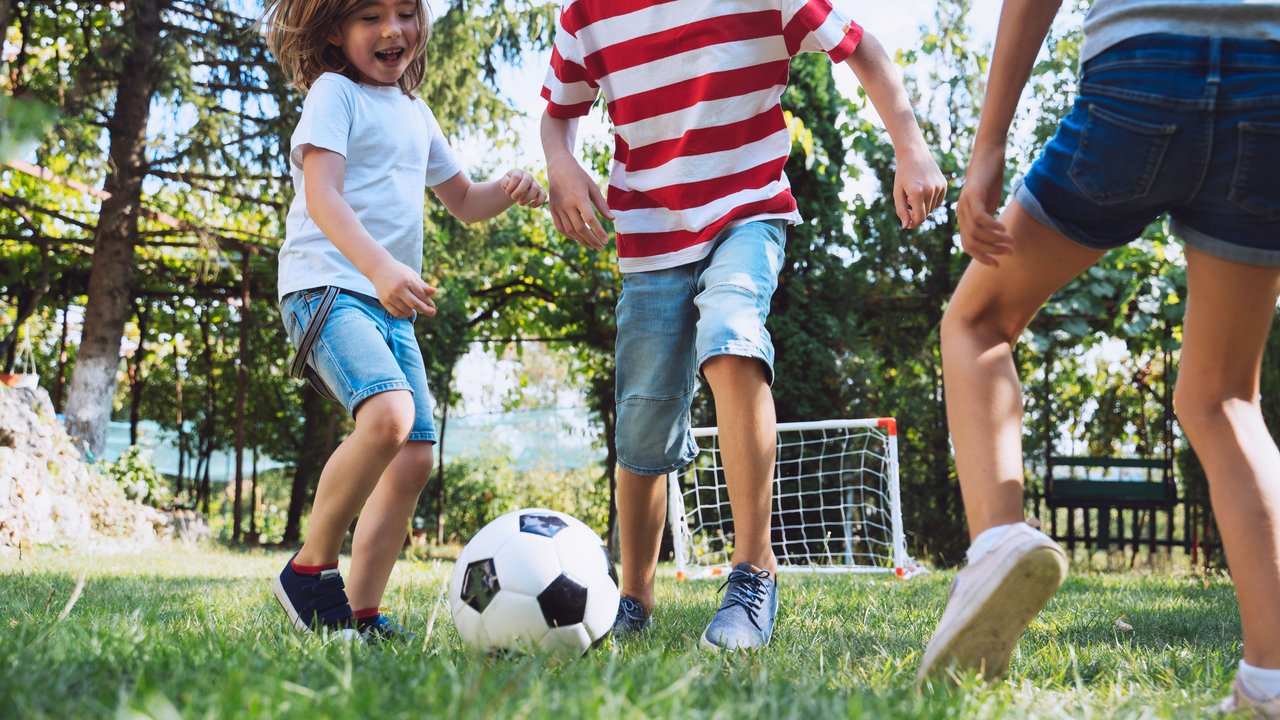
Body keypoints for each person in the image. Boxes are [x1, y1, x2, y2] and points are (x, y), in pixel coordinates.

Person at [541, 0, 946, 650]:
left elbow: (863, 49)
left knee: (731, 334)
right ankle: (636, 598)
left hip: (746, 208)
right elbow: (558, 113)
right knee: (643, 412)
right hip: (648, 234)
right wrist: (561, 164)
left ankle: (753, 571)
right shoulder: (587, 13)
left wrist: (912, 148)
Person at [918, 0, 1280, 713]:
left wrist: (987, 148)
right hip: (1269, 80)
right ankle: (1272, 680)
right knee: (1225, 397)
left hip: (1144, 67)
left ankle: (997, 543)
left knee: (978, 321)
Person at [258, 0, 547, 641]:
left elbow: (465, 202)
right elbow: (322, 193)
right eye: (370, 16)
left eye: (405, 13)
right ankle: (308, 571)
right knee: (386, 416)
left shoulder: (416, 113)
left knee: (414, 455)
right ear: (334, 31)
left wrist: (511, 187)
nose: (393, 29)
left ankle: (358, 613)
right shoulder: (335, 94)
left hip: (387, 302)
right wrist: (383, 268)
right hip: (326, 287)